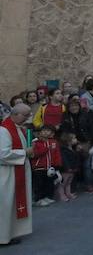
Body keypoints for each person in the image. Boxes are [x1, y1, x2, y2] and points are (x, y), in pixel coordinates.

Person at [0, 104, 33, 247]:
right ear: (16, 114)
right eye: (25, 115)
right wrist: (25, 152)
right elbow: (2, 154)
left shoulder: (16, 127)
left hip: (15, 172)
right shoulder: (4, 130)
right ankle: (2, 237)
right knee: (5, 206)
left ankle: (9, 234)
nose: (27, 118)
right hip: (6, 174)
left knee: (11, 205)